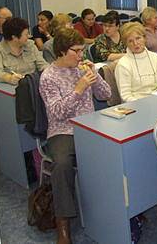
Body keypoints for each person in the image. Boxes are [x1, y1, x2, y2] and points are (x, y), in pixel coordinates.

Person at [39, 28, 111, 244]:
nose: (81, 56)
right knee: (61, 165)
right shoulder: (48, 77)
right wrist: (79, 89)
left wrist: (95, 76)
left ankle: (116, 208)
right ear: (61, 51)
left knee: (117, 150)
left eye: (82, 51)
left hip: (89, 127)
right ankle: (63, 224)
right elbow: (57, 113)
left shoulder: (81, 68)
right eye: (77, 51)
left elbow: (106, 95)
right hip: (63, 130)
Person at [115, 22, 157, 102]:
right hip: (135, 106)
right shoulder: (123, 64)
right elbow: (125, 96)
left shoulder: (155, 58)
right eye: (130, 41)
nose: (135, 43)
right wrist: (144, 105)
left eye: (138, 38)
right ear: (126, 43)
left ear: (144, 38)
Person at [0, 17, 48, 84]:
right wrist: (9, 78)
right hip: (11, 88)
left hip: (33, 84)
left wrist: (49, 71)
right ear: (14, 37)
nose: (28, 36)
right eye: (25, 34)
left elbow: (42, 64)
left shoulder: (30, 45)